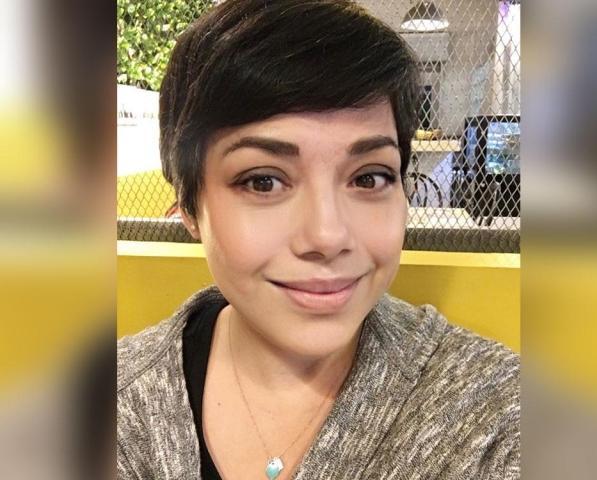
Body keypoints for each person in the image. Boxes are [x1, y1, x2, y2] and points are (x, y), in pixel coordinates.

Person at [117, 1, 520, 479]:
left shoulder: (495, 413)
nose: (328, 237)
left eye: (369, 178)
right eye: (263, 181)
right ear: (188, 205)